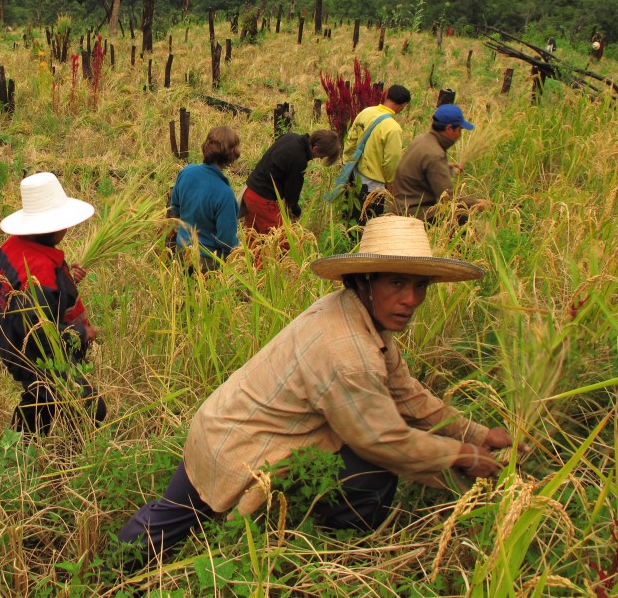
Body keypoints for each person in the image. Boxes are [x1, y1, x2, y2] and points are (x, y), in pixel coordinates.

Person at [117, 215, 518, 564]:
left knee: (172, 515)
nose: (411, 299)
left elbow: (406, 393)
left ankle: (115, 567)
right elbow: (382, 439)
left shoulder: (355, 311)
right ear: (366, 280)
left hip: (224, 423)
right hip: (237, 444)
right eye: (397, 283)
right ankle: (331, 549)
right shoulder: (347, 351)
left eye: (420, 286)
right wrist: (463, 455)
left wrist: (477, 434)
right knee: (375, 472)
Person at [0, 172, 106, 435]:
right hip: (38, 357)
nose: (67, 228)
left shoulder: (10, 248)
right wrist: (83, 333)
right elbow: (42, 331)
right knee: (90, 408)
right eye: (64, 224)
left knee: (40, 398)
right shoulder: (40, 275)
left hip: (10, 343)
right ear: (50, 228)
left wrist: (65, 278)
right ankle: (62, 455)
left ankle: (21, 443)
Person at [389, 104, 485, 225]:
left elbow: (420, 168)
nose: (459, 135)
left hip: (398, 207)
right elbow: (447, 197)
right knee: (461, 216)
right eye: (459, 130)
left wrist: (445, 166)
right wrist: (477, 204)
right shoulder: (435, 155)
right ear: (450, 129)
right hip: (413, 214)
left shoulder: (421, 140)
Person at [168, 126, 241, 271]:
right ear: (232, 155)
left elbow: (174, 210)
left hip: (181, 252)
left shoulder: (186, 172)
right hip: (207, 262)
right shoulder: (225, 193)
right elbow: (226, 241)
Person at [242, 129, 341, 234]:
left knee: (254, 240)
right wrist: (295, 212)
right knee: (280, 243)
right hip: (263, 200)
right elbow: (292, 192)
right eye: (322, 156)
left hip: (250, 191)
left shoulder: (291, 137)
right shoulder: (299, 159)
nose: (320, 159)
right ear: (315, 149)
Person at [340, 84, 410, 220]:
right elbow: (391, 160)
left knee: (349, 217)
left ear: (387, 95)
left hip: (353, 175)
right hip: (373, 186)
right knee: (368, 223)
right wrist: (391, 184)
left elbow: (351, 139)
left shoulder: (366, 112)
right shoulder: (393, 128)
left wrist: (346, 163)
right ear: (403, 104)